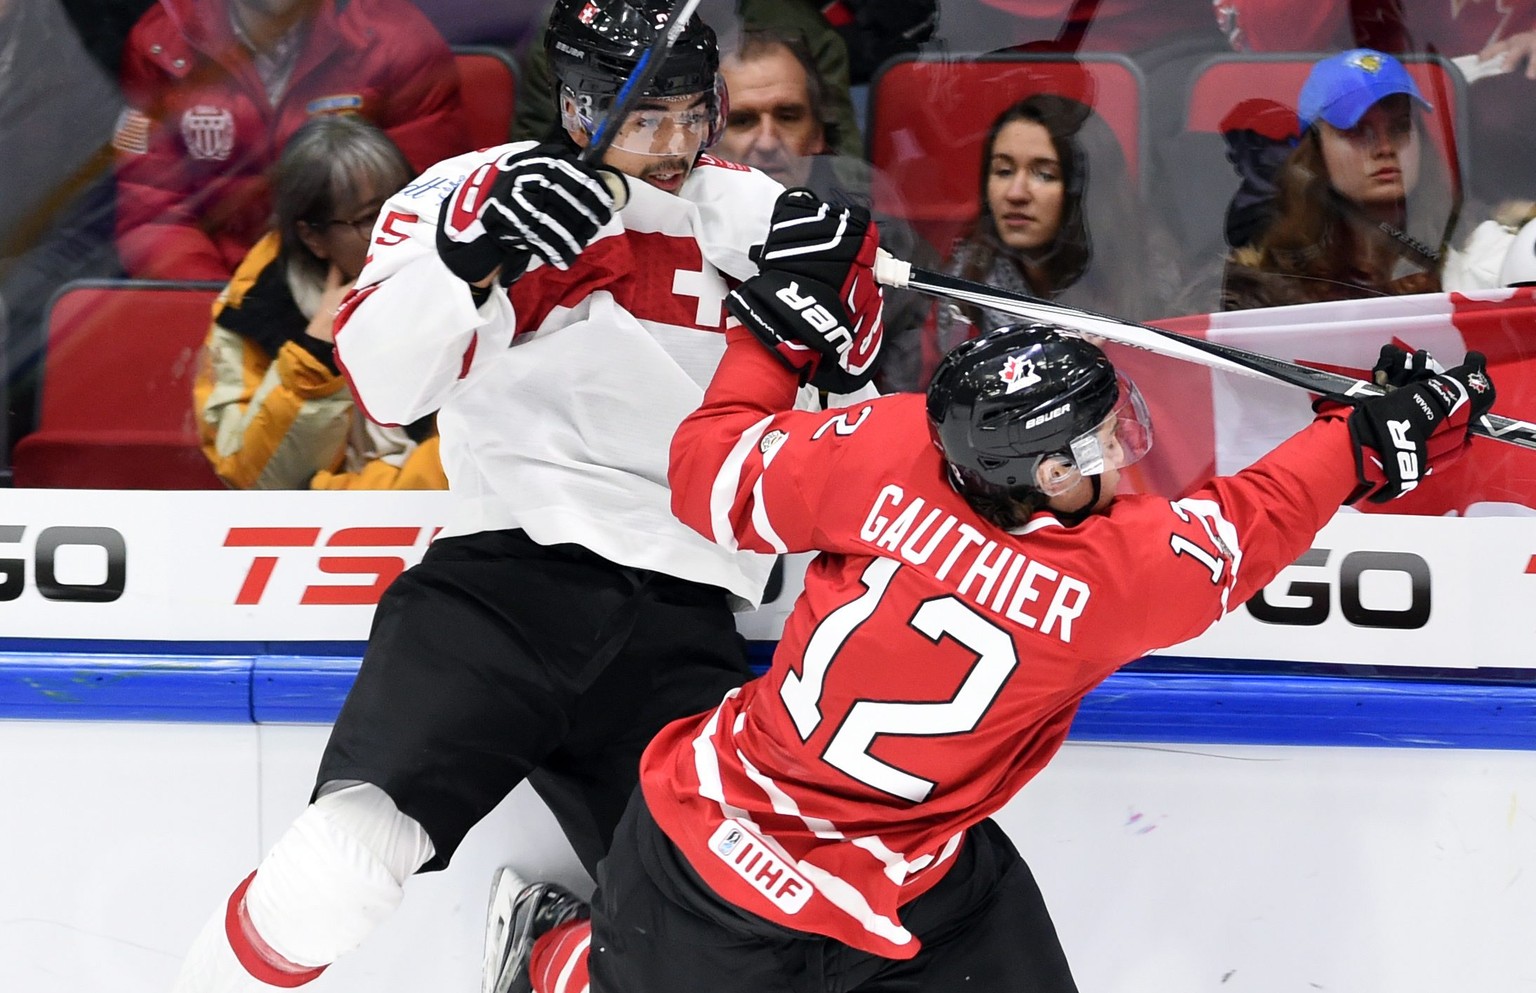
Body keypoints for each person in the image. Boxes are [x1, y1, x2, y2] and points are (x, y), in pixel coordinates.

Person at [485, 188, 1497, 993]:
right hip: (780, 884)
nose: (1120, 451)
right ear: (1046, 476)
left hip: (729, 846)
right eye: (1101, 439)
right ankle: (550, 963)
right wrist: (1366, 439)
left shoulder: (889, 444)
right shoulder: (1115, 581)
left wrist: (774, 338)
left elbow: (711, 477)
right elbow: (1251, 522)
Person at [170, 3, 875, 991]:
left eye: (691, 114)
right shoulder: (472, 191)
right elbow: (385, 384)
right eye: (644, 117)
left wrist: (849, 369)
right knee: (336, 872)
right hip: (501, 590)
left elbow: (848, 476)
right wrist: (469, 259)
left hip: (685, 617)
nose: (672, 146)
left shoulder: (769, 223)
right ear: (580, 104)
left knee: (737, 954)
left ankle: (557, 956)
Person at [113, 0, 471, 282]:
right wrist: (222, 308)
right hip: (219, 291)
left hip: (357, 290)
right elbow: (154, 218)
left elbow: (425, 208)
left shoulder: (396, 40)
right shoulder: (161, 45)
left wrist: (349, 305)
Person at [193, 116, 445, 490]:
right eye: (369, 218)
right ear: (313, 237)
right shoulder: (255, 306)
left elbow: (491, 453)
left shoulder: (473, 269)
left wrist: (335, 494)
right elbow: (254, 477)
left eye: (405, 203)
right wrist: (315, 354)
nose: (399, 228)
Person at [715, 26, 938, 392]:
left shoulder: (869, 219)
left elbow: (900, 371)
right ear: (709, 130)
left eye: (788, 116)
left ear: (818, 131)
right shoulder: (672, 214)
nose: (768, 141)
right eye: (743, 120)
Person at [929, 93, 1173, 381]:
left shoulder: (1153, 291)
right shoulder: (964, 287)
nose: (1015, 193)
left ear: (1085, 192)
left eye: (1044, 174)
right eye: (1003, 171)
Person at [1220, 49, 1458, 311]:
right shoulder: (1266, 285)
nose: (1385, 148)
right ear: (1315, 151)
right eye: (1356, 130)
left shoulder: (1476, 255)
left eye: (1399, 128)